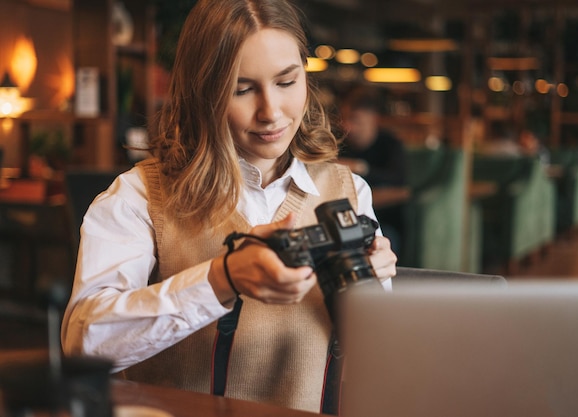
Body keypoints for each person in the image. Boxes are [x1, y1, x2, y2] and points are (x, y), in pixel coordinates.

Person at [60, 0, 397, 414]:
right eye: (242, 89)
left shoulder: (349, 192)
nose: (271, 112)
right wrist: (221, 279)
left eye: (287, 82)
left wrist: (369, 298)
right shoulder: (139, 195)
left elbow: (375, 358)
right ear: (203, 92)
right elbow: (83, 343)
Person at [337, 86, 407, 254]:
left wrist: (363, 169)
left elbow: (400, 182)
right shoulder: (341, 143)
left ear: (373, 119)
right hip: (346, 218)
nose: (349, 127)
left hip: (385, 220)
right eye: (345, 119)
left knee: (382, 242)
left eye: (355, 120)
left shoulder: (390, 144)